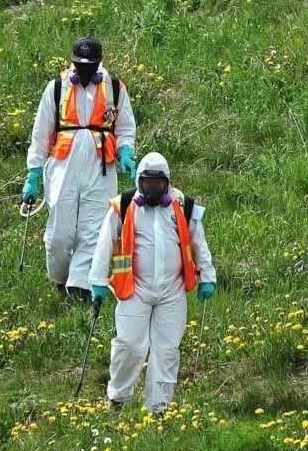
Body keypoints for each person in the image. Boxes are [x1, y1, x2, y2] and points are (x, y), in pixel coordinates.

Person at [89, 152, 216, 414]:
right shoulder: (124, 206)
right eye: (148, 183)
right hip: (134, 289)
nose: (153, 189)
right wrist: (98, 281)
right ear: (139, 182)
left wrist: (207, 277)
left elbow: (198, 244)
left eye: (158, 184)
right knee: (130, 345)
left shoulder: (183, 207)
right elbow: (104, 245)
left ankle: (158, 409)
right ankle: (117, 399)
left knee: (166, 350)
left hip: (173, 291)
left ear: (167, 183)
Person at [22, 37, 137, 301]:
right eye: (80, 65)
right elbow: (41, 134)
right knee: (60, 232)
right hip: (64, 166)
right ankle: (60, 278)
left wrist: (126, 151)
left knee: (95, 227)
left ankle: (80, 285)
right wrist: (34, 174)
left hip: (100, 167)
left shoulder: (115, 88)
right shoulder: (57, 88)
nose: (84, 71)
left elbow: (126, 127)